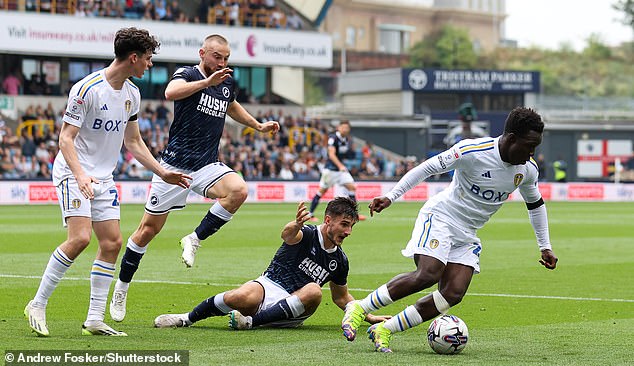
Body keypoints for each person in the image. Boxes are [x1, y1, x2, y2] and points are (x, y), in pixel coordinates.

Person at [340, 107, 559, 352]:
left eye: (535, 147)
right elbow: (427, 168)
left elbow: (535, 204)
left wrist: (545, 246)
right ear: (510, 138)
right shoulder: (472, 151)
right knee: (428, 274)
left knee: (452, 293)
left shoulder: (526, 170)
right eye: (529, 145)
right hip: (441, 217)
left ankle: (385, 329)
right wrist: (392, 196)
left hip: (467, 233)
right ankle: (359, 307)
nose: (532, 153)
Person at [24, 27, 191, 338]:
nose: (150, 64)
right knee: (80, 239)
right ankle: (37, 303)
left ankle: (94, 319)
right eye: (148, 58)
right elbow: (65, 139)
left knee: (113, 242)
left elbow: (134, 141)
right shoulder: (86, 89)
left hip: (102, 176)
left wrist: (161, 171)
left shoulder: (132, 94)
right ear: (133, 58)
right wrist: (80, 175)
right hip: (73, 171)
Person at [109, 34, 280, 322]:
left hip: (205, 166)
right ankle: (122, 287)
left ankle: (195, 238)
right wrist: (205, 83)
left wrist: (258, 125)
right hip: (174, 167)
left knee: (238, 190)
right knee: (146, 232)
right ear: (202, 53)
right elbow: (171, 93)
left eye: (225, 58)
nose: (222, 62)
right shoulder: (188, 74)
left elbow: (231, 105)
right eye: (216, 56)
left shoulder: (225, 81)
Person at [153, 198, 388, 330]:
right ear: (328, 221)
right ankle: (186, 318)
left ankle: (251, 323)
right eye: (344, 224)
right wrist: (295, 224)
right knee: (239, 297)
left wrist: (367, 315)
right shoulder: (305, 233)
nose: (348, 232)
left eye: (351, 226)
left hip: (297, 306)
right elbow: (287, 235)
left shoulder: (340, 261)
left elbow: (341, 297)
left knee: (315, 290)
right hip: (269, 285)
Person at [308, 120, 366, 222]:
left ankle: (355, 214)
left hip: (340, 171)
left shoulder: (347, 140)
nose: (345, 129)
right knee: (321, 191)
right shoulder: (333, 138)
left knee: (352, 187)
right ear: (338, 128)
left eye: (347, 128)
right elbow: (331, 154)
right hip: (331, 170)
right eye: (343, 127)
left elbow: (346, 154)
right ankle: (310, 214)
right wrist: (340, 166)